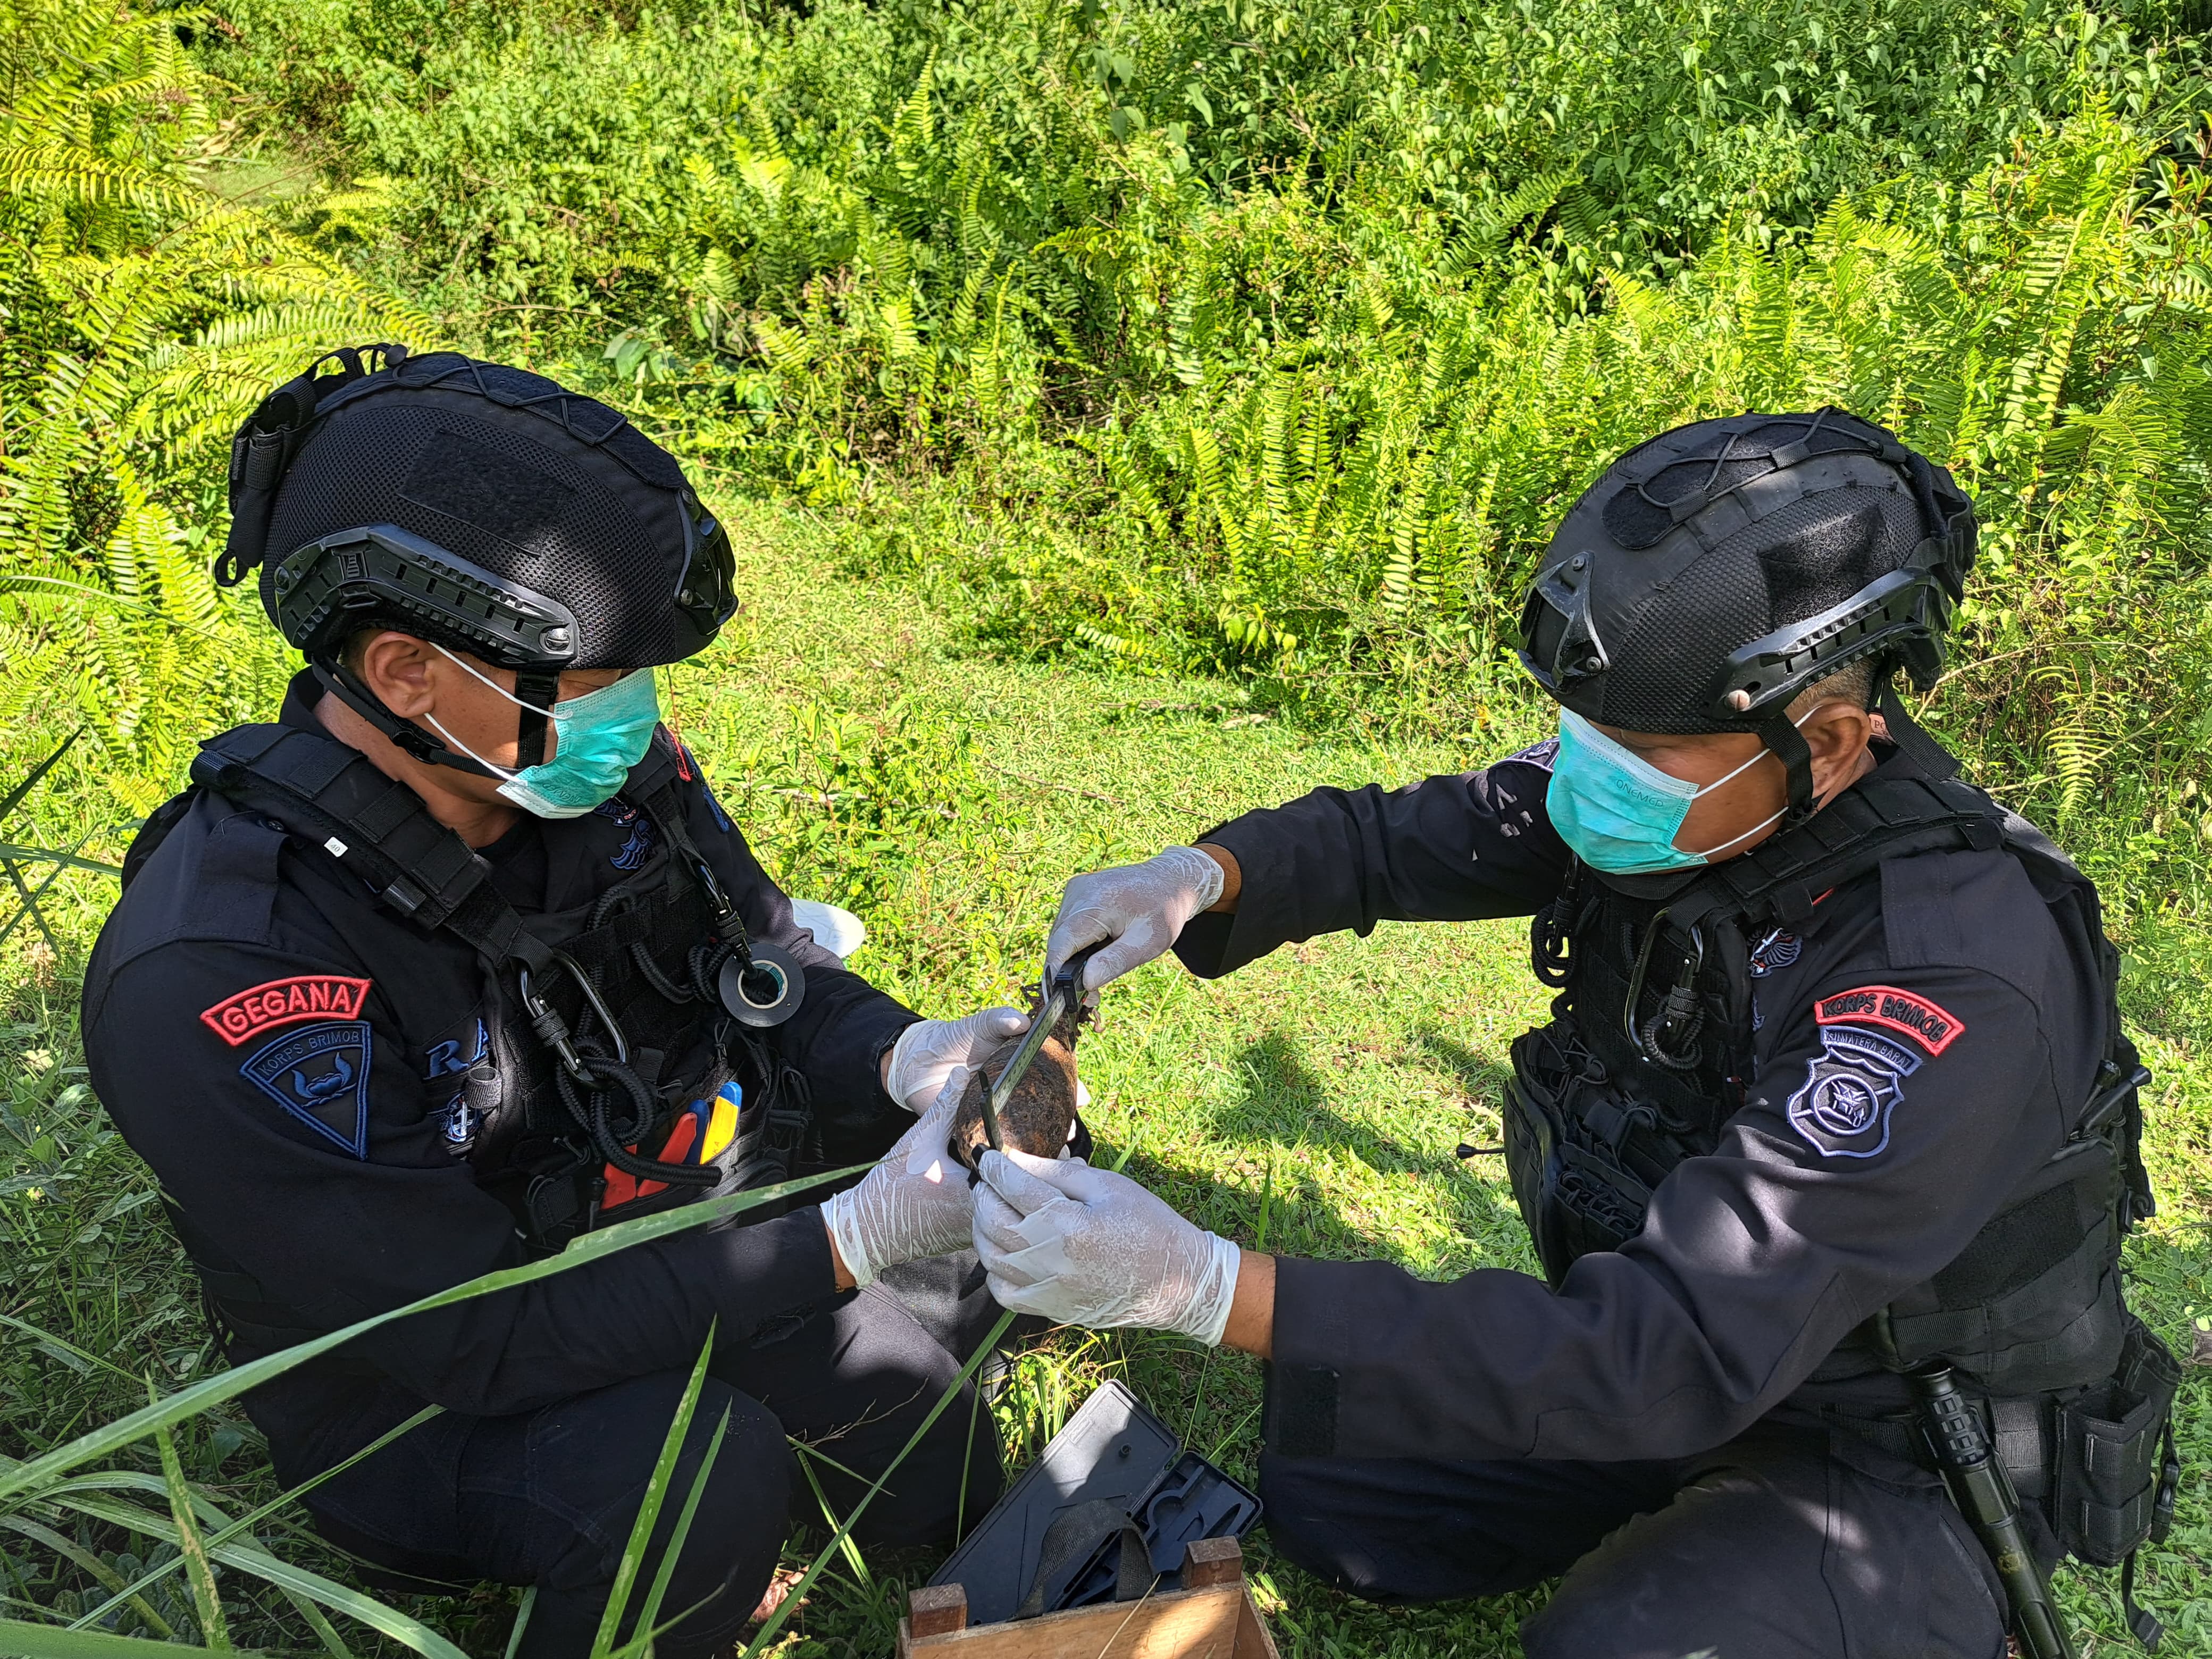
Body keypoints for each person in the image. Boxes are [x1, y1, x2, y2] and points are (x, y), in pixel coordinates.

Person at [971, 410, 2182, 1658]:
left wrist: (1199, 1283)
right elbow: (1406, 839)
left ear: (1821, 741)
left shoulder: (1944, 974)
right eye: (1582, 734)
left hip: (1887, 1438)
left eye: (1633, 752)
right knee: (1337, 1480)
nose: (1581, 775)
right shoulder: (1705, 796)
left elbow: (1677, 1343)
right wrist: (1201, 878)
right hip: (1690, 1353)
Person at [84, 346, 1034, 1658]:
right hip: (427, 1382)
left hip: (642, 1217)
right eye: (592, 690)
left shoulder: (587, 773)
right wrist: (844, 1243)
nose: (633, 719)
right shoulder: (224, 969)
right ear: (408, 674)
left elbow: (764, 973)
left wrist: (906, 1062)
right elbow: (468, 1338)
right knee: (701, 1481)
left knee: (988, 1259)